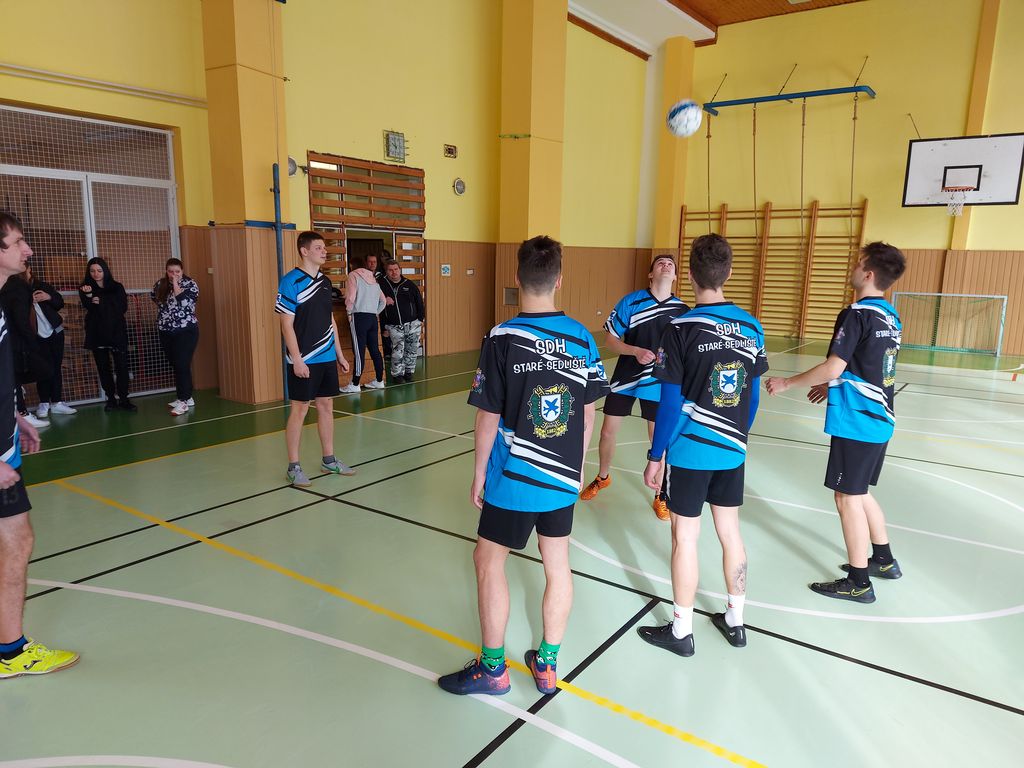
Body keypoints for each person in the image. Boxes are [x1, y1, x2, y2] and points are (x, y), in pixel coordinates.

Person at [438, 235, 608, 697]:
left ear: (517, 279)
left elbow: (487, 415)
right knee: (558, 565)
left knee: (488, 561)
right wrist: (577, 465)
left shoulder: (502, 338)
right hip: (562, 476)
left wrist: (479, 472)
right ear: (559, 279)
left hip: (514, 477)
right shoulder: (582, 338)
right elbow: (587, 413)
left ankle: (494, 670)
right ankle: (547, 665)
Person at [638, 234, 768, 656]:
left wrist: (656, 455)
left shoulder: (680, 328)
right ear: (728, 273)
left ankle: (681, 630)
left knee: (685, 538)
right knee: (731, 533)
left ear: (690, 276)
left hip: (690, 450)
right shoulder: (751, 326)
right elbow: (753, 396)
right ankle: (736, 620)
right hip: (732, 448)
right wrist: (739, 436)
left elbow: (669, 402)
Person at [765, 242, 906, 604]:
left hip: (857, 421)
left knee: (846, 497)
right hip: (881, 417)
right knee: (860, 492)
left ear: (868, 274)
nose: (853, 268)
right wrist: (833, 385)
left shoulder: (856, 314)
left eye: (858, 263)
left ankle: (859, 582)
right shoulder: (890, 316)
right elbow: (869, 364)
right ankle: (884, 561)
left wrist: (787, 383)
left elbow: (834, 365)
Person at [0, 212, 79, 678]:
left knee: (18, 539)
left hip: (6, 439)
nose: (27, 250)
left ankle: (10, 647)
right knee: (17, 541)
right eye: (17, 242)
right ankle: (11, 652)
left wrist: (14, 414)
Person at [580, 254, 689, 520]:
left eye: (670, 264)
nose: (666, 265)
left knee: (658, 438)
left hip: (660, 382)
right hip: (626, 376)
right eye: (660, 263)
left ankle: (661, 493)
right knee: (607, 432)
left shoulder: (683, 311)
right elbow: (610, 340)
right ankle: (602, 477)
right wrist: (635, 351)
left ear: (675, 276)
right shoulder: (631, 302)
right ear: (650, 274)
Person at [275, 231, 355, 487]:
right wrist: (297, 360)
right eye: (319, 248)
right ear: (304, 251)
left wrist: (340, 354)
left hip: (326, 356)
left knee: (326, 406)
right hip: (304, 358)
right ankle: (293, 466)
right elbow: (286, 325)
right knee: (299, 409)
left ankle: (329, 460)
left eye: (324, 248)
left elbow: (330, 320)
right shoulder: (290, 282)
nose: (324, 251)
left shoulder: (325, 282)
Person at [79, 257, 134, 412]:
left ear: (105, 270)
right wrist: (90, 297)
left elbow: (122, 307)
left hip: (116, 331)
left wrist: (101, 301)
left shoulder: (117, 286)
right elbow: (89, 307)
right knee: (103, 367)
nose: (96, 274)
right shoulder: (85, 288)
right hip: (97, 332)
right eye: (92, 271)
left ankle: (124, 398)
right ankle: (110, 399)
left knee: (122, 366)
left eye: (99, 270)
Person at [0, 269, 51, 428]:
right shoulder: (19, 287)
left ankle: (19, 406)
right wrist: (32, 342)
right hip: (16, 341)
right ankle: (21, 411)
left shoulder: (8, 286)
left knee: (15, 375)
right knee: (42, 370)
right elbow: (21, 319)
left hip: (8, 338)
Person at [25, 265, 75, 419]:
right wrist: (28, 301)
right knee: (43, 369)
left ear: (29, 270)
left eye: (25, 271)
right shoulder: (17, 290)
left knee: (56, 367)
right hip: (36, 336)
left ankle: (57, 402)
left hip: (55, 332)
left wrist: (49, 297)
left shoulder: (42, 286)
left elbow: (59, 302)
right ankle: (44, 402)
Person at [152, 257, 199, 417]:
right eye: (170, 271)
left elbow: (184, 303)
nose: (174, 274)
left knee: (182, 364)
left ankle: (183, 400)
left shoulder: (190, 284)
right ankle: (187, 397)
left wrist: (176, 284)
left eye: (177, 271)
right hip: (166, 330)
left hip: (186, 330)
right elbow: (155, 299)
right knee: (175, 363)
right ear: (166, 271)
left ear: (182, 271)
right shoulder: (160, 284)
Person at [341, 254, 386, 393]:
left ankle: (355, 384)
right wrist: (375, 312)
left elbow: (351, 297)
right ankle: (379, 380)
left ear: (352, 266)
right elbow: (383, 301)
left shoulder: (353, 275)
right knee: (375, 350)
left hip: (359, 317)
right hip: (372, 318)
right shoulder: (373, 278)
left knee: (358, 350)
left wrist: (349, 312)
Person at [378, 258, 425, 383]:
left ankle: (409, 372)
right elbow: (378, 308)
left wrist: (420, 319)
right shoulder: (381, 286)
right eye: (390, 270)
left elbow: (419, 303)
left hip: (413, 324)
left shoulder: (409, 284)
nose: (394, 272)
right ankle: (397, 374)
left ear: (400, 270)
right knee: (398, 351)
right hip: (394, 325)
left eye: (396, 269)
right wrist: (384, 327)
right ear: (386, 272)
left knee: (412, 350)